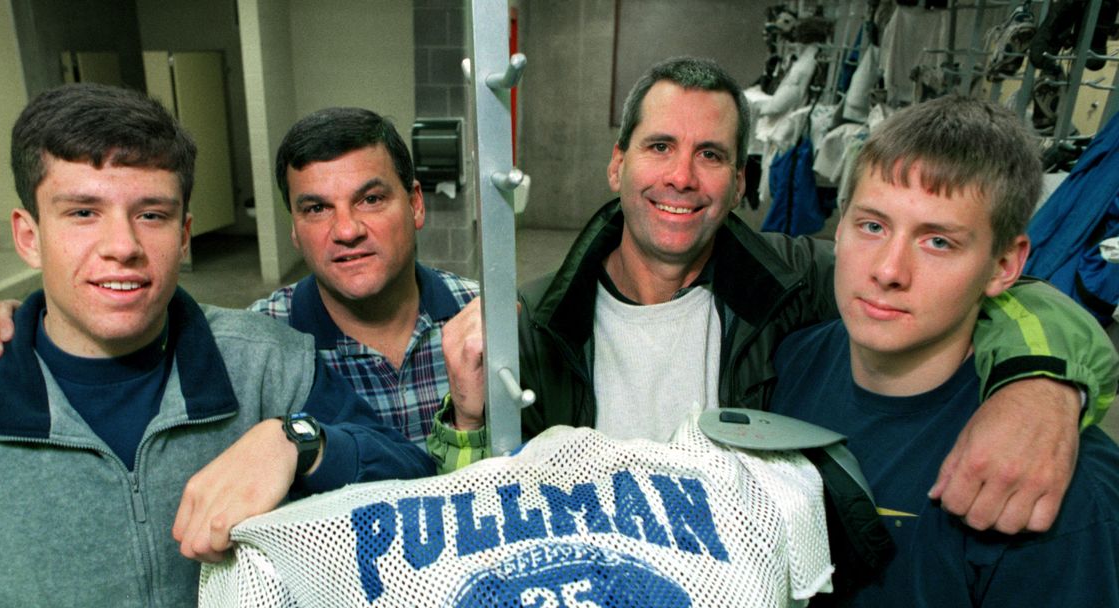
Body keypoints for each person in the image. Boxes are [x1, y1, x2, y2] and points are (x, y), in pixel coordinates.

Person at [0, 83, 430, 608]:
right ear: (28, 234)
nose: (121, 246)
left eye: (151, 214)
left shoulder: (267, 365)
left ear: (185, 232)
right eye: (82, 213)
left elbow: (414, 491)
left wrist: (299, 441)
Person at [437, 55, 1118, 535]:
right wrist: (467, 418)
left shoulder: (793, 282)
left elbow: (1015, 296)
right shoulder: (536, 319)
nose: (682, 176)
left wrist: (1039, 387)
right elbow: (464, 511)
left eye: (711, 155)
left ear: (739, 183)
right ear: (618, 164)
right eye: (659, 146)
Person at [771, 94, 1119, 608]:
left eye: (938, 241)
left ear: (1003, 265)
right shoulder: (790, 366)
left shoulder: (1051, 478)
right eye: (871, 226)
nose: (888, 269)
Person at [0, 106, 478, 448]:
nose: (346, 230)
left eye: (370, 199)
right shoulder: (261, 347)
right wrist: (31, 326)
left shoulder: (488, 317)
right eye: (316, 209)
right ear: (294, 229)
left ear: (414, 204)